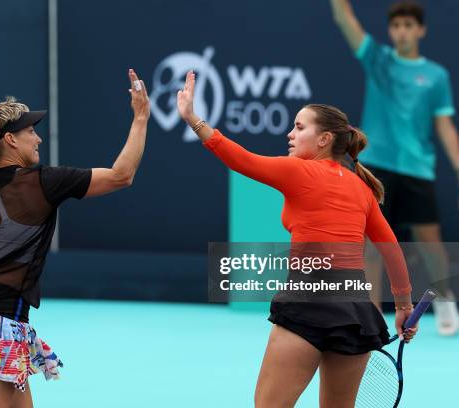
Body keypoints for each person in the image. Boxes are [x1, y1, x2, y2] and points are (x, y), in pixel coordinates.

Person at [177, 71, 417, 407]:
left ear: (324, 140)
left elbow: (240, 159)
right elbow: (391, 249)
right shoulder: (363, 189)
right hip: (355, 312)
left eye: (300, 127)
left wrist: (192, 118)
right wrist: (404, 306)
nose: (290, 134)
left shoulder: (299, 171)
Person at [0, 69, 150, 408]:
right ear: (10, 139)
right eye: (30, 131)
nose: (37, 139)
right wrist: (140, 117)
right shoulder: (45, 182)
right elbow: (121, 176)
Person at [330, 0, 459, 335]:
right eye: (397, 25)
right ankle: (371, 316)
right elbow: (345, 20)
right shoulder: (379, 60)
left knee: (430, 244)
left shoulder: (436, 76)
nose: (402, 31)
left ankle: (444, 298)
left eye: (408, 25)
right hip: (376, 168)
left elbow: (444, 125)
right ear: (391, 30)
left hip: (417, 169)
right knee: (371, 245)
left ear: (420, 30)